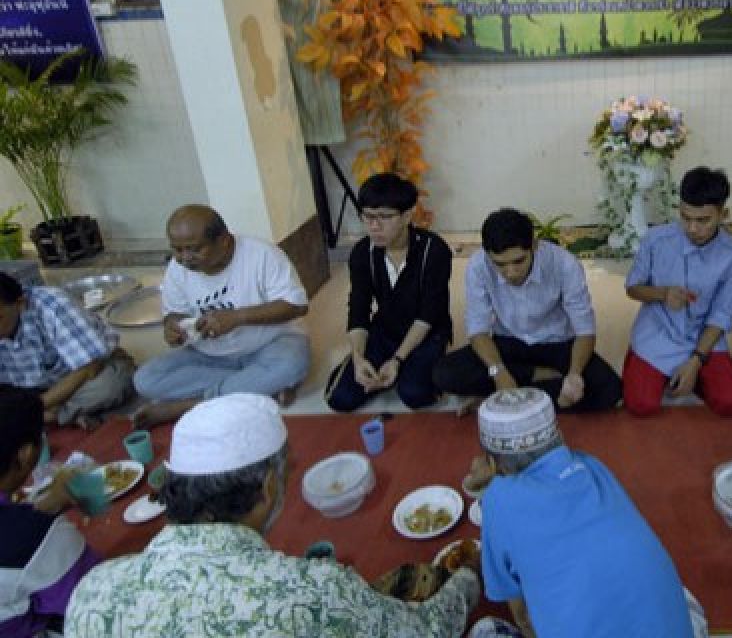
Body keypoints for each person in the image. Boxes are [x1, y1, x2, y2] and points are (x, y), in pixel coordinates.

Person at [64, 393, 480, 637]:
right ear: (268, 487)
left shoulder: (93, 591)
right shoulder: (310, 592)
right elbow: (425, 631)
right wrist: (466, 579)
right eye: (287, 470)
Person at [472, 387, 698, 637]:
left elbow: (522, 615)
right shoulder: (593, 466)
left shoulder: (498, 497)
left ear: (492, 462)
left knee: (486, 630)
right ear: (557, 435)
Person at [132, 205, 311, 428]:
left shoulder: (262, 254)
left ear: (224, 241)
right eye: (177, 250)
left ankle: (190, 405)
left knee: (291, 363)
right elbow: (175, 313)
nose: (184, 258)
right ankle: (257, 388)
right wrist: (172, 327)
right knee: (146, 379)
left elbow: (297, 305)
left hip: (269, 346)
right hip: (211, 358)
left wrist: (238, 317)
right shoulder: (177, 269)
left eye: (194, 249)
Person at [432, 208, 620, 412]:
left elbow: (585, 330)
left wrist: (574, 375)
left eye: (518, 261)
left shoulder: (564, 264)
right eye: (500, 264)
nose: (510, 272)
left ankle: (501, 398)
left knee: (609, 389)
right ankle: (538, 382)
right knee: (444, 374)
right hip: (508, 343)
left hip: (557, 344)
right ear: (487, 254)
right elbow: (478, 329)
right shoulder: (478, 266)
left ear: (534, 246)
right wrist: (498, 371)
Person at [623, 166, 732, 417]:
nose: (692, 228)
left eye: (703, 220)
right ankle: (644, 362)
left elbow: (721, 316)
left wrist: (696, 361)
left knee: (731, 403)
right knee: (641, 405)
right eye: (685, 217)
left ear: (723, 214)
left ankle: (689, 374)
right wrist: (663, 294)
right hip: (659, 331)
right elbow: (632, 288)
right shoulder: (656, 240)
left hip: (703, 337)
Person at [325, 174, 453, 412]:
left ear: (407, 215)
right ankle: (384, 370)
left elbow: (428, 315)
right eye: (368, 216)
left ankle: (403, 370)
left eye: (384, 217)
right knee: (339, 398)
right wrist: (358, 357)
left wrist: (397, 359)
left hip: (427, 333)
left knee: (414, 394)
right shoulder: (363, 253)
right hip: (385, 331)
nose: (374, 226)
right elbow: (359, 309)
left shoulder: (433, 250)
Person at [0, 386, 102, 638]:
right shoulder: (33, 537)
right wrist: (39, 523)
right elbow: (96, 596)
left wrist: (35, 510)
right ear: (24, 454)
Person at [0, 272, 135, 430]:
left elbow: (89, 368)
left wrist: (32, 408)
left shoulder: (53, 305)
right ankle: (60, 415)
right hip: (33, 390)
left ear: (20, 304)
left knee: (112, 385)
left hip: (85, 376)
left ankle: (50, 416)